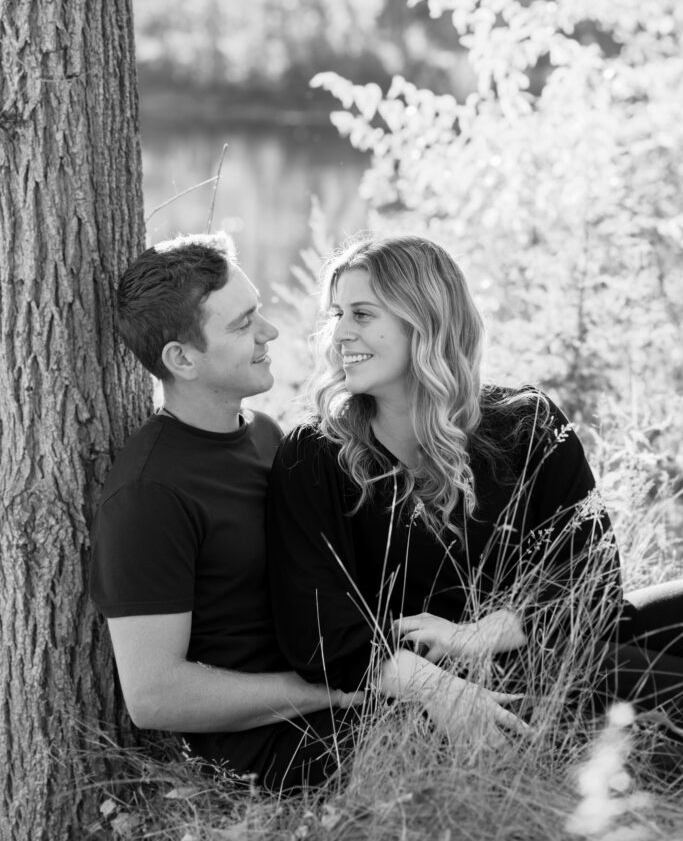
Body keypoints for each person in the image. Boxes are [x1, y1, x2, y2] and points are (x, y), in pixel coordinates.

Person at [267, 235, 683, 750]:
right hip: (449, 686)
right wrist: (441, 684)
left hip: (535, 637)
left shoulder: (526, 423)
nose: (339, 335)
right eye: (336, 314)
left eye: (362, 314)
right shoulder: (315, 454)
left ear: (426, 322)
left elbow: (593, 584)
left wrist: (476, 634)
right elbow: (318, 632)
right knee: (643, 680)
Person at [89, 232, 361, 791]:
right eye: (242, 325)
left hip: (336, 690)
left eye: (258, 311)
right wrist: (331, 689)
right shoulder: (148, 495)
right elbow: (154, 695)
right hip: (276, 745)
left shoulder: (263, 435)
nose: (270, 332)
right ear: (182, 359)